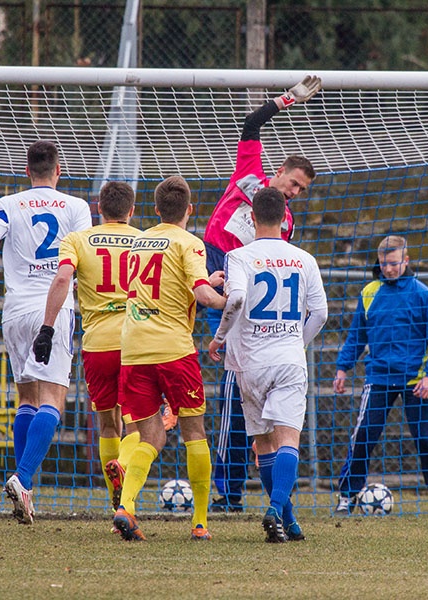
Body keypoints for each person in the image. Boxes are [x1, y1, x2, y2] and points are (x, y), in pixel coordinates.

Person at [202, 75, 321, 513]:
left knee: (236, 392)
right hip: (209, 271)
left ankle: (232, 491)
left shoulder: (284, 224)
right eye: (292, 183)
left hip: (244, 301)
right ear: (280, 172)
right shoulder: (250, 175)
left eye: (300, 191)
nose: (292, 193)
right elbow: (251, 124)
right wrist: (287, 100)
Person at [0, 140, 92, 525]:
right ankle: (23, 479)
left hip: (15, 308)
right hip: (53, 309)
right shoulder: (76, 208)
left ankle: (24, 494)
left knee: (26, 396)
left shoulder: (10, 203)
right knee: (53, 400)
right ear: (58, 171)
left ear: (28, 172)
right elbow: (84, 257)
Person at [207, 187, 328, 542]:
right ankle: (279, 511)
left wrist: (219, 337)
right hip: (289, 358)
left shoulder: (238, 256)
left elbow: (238, 297)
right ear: (284, 218)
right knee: (289, 438)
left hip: (250, 362)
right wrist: (296, 342)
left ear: (252, 218)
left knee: (263, 443)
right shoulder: (305, 259)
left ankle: (284, 519)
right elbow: (320, 313)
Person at [111, 175, 227, 542]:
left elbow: (160, 283)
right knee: (194, 432)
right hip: (174, 350)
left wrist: (204, 282)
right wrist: (232, 301)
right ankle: (200, 522)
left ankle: (125, 507)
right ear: (190, 210)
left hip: (133, 349)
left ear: (156, 209)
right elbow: (204, 296)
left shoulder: (138, 241)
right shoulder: (191, 244)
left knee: (149, 434)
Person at [34, 181, 141, 515]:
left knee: (108, 425)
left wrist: (48, 329)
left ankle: (115, 499)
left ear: (98, 208)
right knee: (138, 425)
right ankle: (125, 484)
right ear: (132, 210)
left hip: (97, 345)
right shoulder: (146, 240)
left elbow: (63, 280)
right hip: (138, 343)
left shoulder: (77, 240)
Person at [334, 235, 428, 515]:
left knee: (424, 440)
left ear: (406, 261)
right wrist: (342, 367)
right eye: (385, 264)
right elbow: (356, 337)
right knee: (362, 436)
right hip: (378, 379)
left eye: (395, 263)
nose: (389, 269)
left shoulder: (423, 294)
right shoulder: (369, 292)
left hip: (416, 383)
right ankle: (346, 497)